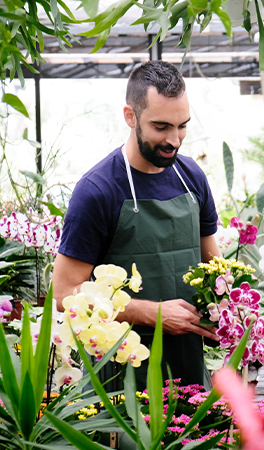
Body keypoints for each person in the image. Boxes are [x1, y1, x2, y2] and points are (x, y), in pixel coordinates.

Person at [52, 61, 221, 391]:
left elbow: (214, 269)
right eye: (161, 127)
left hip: (188, 370)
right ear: (130, 116)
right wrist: (153, 313)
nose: (174, 140)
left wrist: (232, 308)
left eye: (182, 126)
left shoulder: (192, 178)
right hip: (119, 378)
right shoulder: (98, 190)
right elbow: (64, 294)